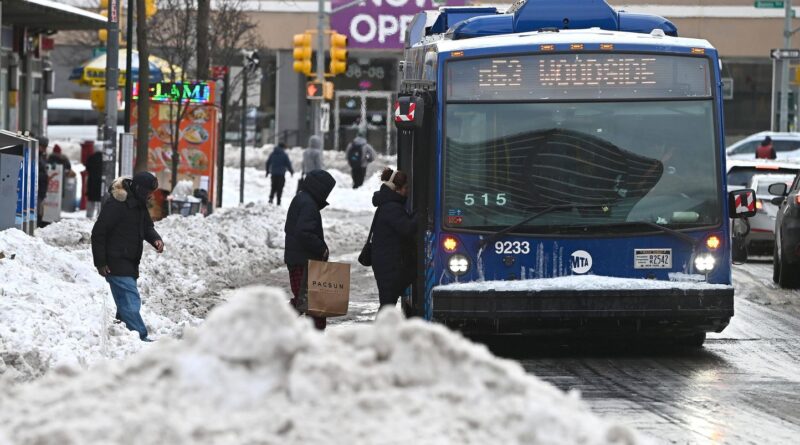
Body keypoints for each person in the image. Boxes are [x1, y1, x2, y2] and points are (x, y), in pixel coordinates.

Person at [91, 172, 164, 341]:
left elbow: (147, 227)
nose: (150, 196)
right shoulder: (116, 204)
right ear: (138, 188)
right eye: (148, 192)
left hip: (130, 261)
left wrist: (156, 239)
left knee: (125, 300)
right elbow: (98, 233)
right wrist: (100, 262)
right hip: (115, 261)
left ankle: (122, 334)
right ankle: (140, 336)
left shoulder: (138, 203)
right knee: (130, 300)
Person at [284, 169, 336, 331]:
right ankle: (278, 324)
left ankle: (279, 324)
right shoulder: (308, 204)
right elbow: (303, 232)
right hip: (303, 262)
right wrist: (322, 249)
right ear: (321, 189)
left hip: (299, 259)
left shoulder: (302, 200)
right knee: (313, 303)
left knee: (306, 301)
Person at [370, 168, 417, 310]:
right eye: (405, 188)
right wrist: (418, 215)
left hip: (385, 263)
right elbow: (407, 228)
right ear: (397, 189)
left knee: (387, 303)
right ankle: (381, 331)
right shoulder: (392, 208)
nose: (407, 192)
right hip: (388, 265)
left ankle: (382, 331)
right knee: (387, 306)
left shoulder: (387, 204)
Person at [85, 144, 104, 218]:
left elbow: (87, 168)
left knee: (91, 199)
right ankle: (99, 215)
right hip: (101, 182)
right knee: (100, 199)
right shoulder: (104, 158)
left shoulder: (91, 158)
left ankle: (89, 215)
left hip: (92, 181)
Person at [36, 137, 51, 228]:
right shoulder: (35, 156)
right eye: (43, 146)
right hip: (37, 189)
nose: (45, 149)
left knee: (40, 211)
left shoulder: (41, 156)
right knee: (37, 211)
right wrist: (45, 176)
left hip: (41, 189)